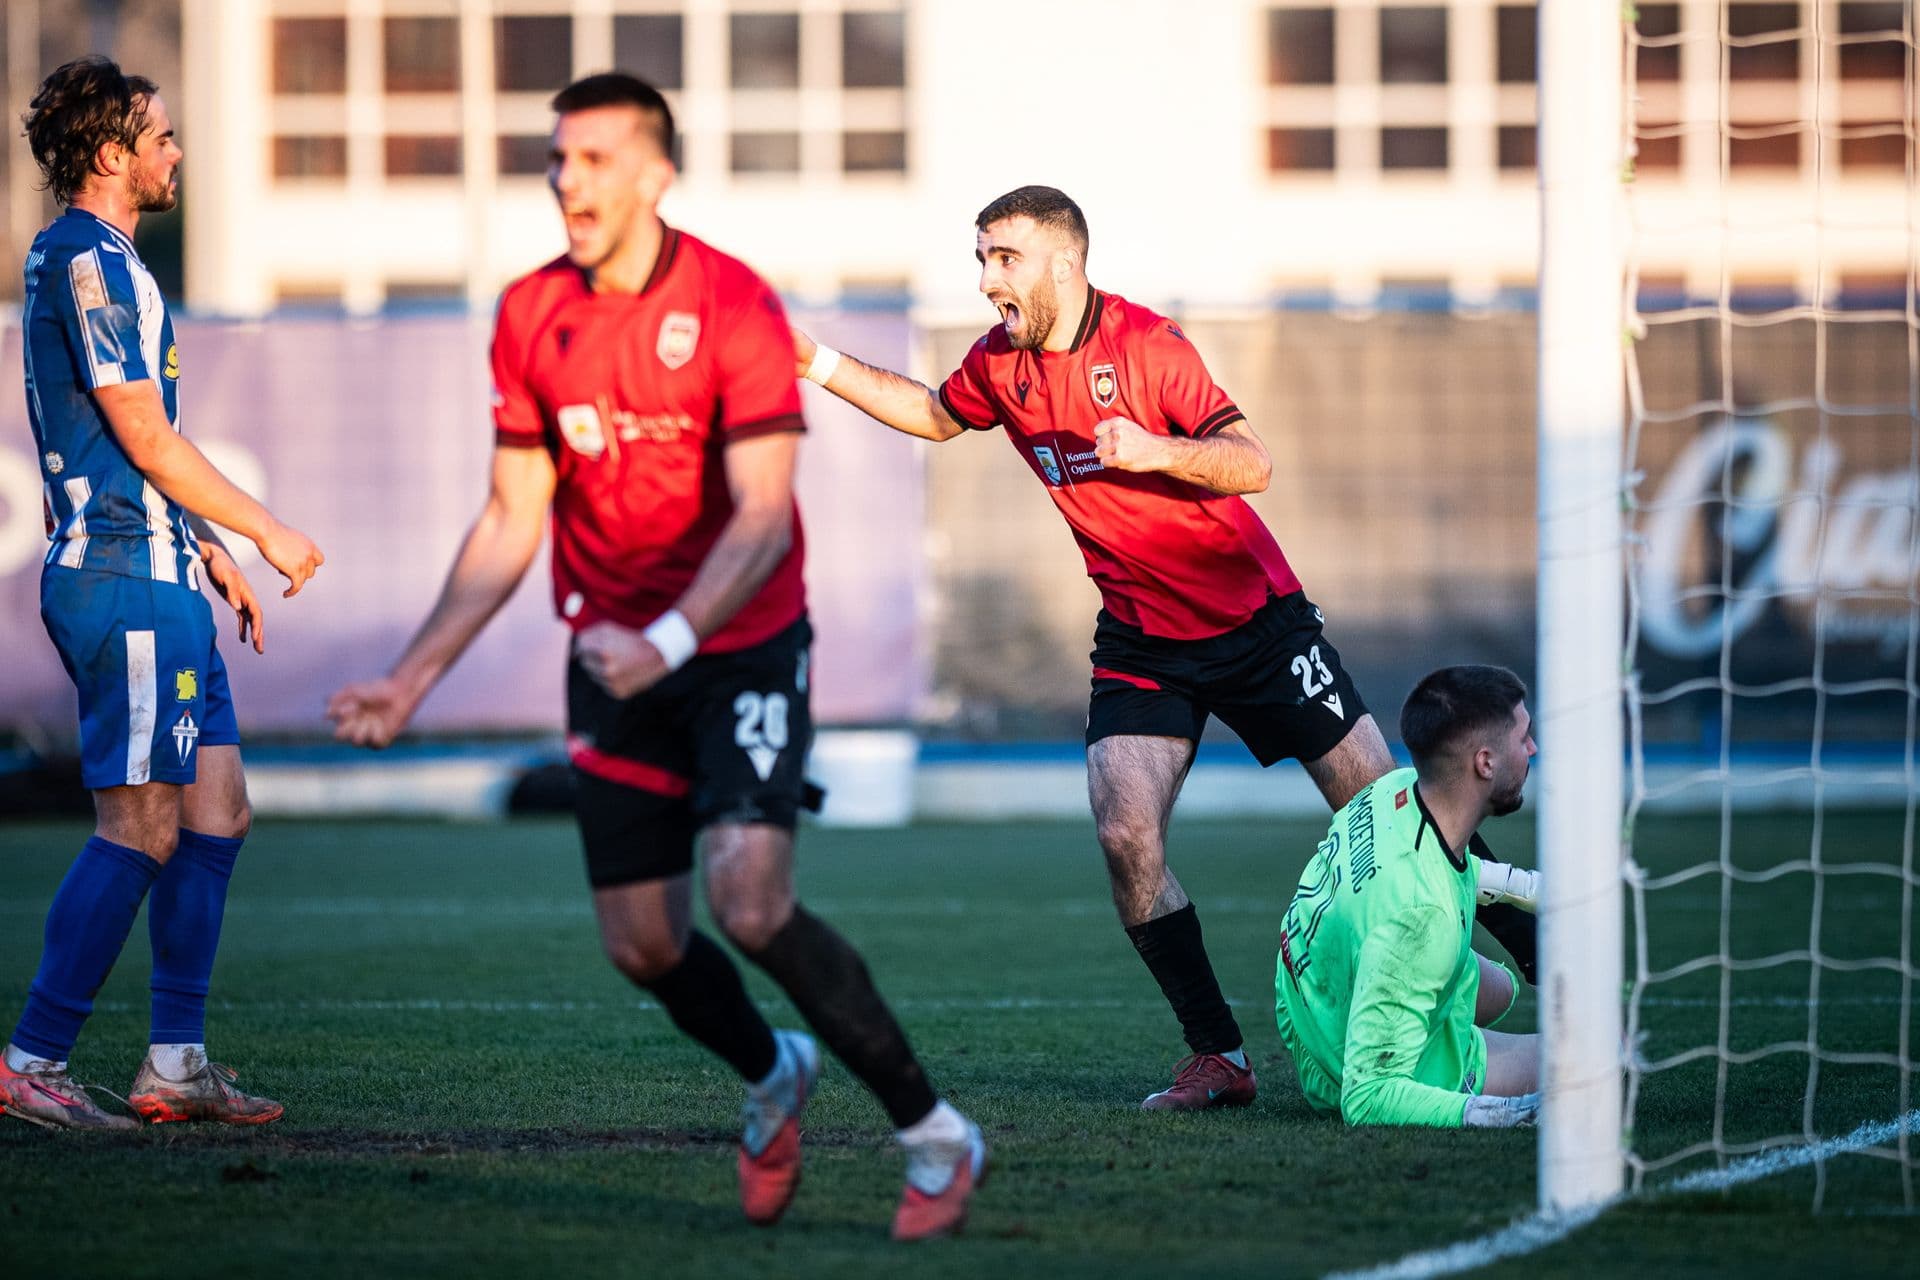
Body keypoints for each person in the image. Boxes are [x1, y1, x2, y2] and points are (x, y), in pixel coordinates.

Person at [325, 74, 983, 1240]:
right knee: (640, 943)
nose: (565, 180)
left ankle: (934, 1133)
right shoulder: (531, 311)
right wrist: (411, 677)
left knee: (751, 901)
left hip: (742, 649)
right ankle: (772, 1069)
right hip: (612, 659)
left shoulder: (733, 304)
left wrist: (672, 639)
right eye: (556, 158)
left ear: (655, 174)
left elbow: (763, 516)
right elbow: (511, 515)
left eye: (592, 159)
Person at [791, 185, 1399, 1110]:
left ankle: (1536, 965)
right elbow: (933, 413)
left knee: (1391, 820)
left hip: (1255, 624)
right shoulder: (1000, 363)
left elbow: (1253, 462)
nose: (988, 279)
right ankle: (1219, 1057)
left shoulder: (1148, 345)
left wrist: (1157, 450)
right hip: (1141, 637)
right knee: (1124, 834)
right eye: (982, 258)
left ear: (1066, 263)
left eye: (1006, 259)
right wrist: (817, 361)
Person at [1, 57, 323, 1131]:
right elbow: (142, 434)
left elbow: (135, 445)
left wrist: (210, 549)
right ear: (113, 155)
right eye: (163, 137)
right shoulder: (85, 258)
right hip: (122, 576)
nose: (177, 153)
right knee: (141, 825)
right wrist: (264, 528)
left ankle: (176, 1064)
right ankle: (32, 1059)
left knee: (217, 810)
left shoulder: (112, 259)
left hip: (165, 569)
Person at [1274, 664, 1542, 1128]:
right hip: (1342, 1067)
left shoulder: (1393, 789)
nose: (1533, 749)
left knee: (1501, 990)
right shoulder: (1422, 920)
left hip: (1310, 1009)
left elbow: (1448, 867)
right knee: (1603, 1056)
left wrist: (1529, 887)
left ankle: (1425, 1016)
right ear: (1485, 763)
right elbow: (1367, 1099)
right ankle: (1448, 1064)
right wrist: (1500, 1115)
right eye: (1523, 738)